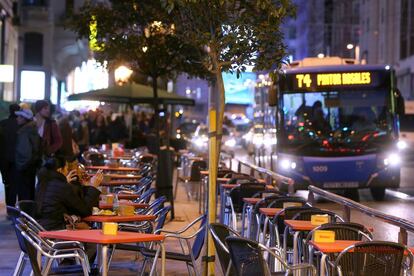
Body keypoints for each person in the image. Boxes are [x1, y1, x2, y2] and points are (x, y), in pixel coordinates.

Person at [15, 108, 42, 200]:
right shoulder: (33, 129)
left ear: (24, 118)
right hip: (31, 166)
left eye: (19, 116)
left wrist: (20, 166)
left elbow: (24, 152)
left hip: (24, 168)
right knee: (30, 192)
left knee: (24, 194)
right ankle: (30, 212)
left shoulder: (24, 132)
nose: (17, 118)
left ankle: (24, 213)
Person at [0, 104, 21, 211]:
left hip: (4, 158)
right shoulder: (21, 124)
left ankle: (10, 207)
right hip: (17, 158)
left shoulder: (3, 124)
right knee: (16, 183)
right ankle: (15, 207)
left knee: (7, 182)